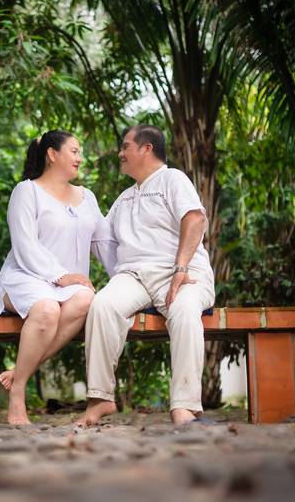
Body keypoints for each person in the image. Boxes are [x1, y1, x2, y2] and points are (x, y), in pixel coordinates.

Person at [76, 124, 215, 426]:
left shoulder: (172, 179)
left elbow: (195, 218)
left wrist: (180, 268)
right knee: (102, 305)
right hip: (134, 277)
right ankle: (100, 399)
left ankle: (184, 407)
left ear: (146, 149)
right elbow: (100, 240)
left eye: (126, 146)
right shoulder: (124, 198)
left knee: (185, 309)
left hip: (182, 273)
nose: (120, 153)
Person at [0, 130, 116, 425]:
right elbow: (24, 244)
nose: (80, 158)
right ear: (52, 154)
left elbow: (104, 245)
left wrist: (126, 282)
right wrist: (60, 275)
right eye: (74, 151)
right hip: (25, 276)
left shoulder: (87, 197)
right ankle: (18, 394)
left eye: (79, 151)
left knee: (86, 298)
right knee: (46, 308)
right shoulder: (26, 191)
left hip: (67, 286)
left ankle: (19, 371)